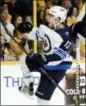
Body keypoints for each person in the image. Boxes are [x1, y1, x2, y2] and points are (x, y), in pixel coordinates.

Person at [20, 6, 73, 105]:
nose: (47, 17)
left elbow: (60, 55)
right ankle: (28, 88)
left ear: (58, 19)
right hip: (46, 63)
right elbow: (37, 34)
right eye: (48, 14)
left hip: (57, 69)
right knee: (24, 60)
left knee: (42, 100)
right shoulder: (48, 27)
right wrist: (28, 29)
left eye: (51, 15)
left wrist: (44, 58)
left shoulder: (66, 35)